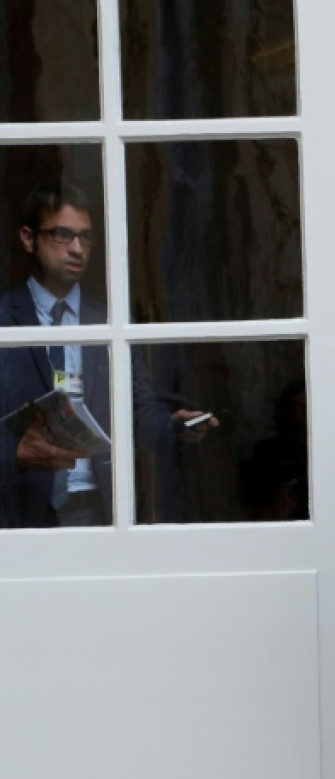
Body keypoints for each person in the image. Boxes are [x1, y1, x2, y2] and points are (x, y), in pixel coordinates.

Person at [0, 181, 215, 527]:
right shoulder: (4, 318)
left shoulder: (108, 323)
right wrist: (13, 454)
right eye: (62, 235)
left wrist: (173, 427)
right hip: (19, 512)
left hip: (100, 509)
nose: (77, 249)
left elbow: (139, 412)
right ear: (28, 238)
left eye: (85, 237)